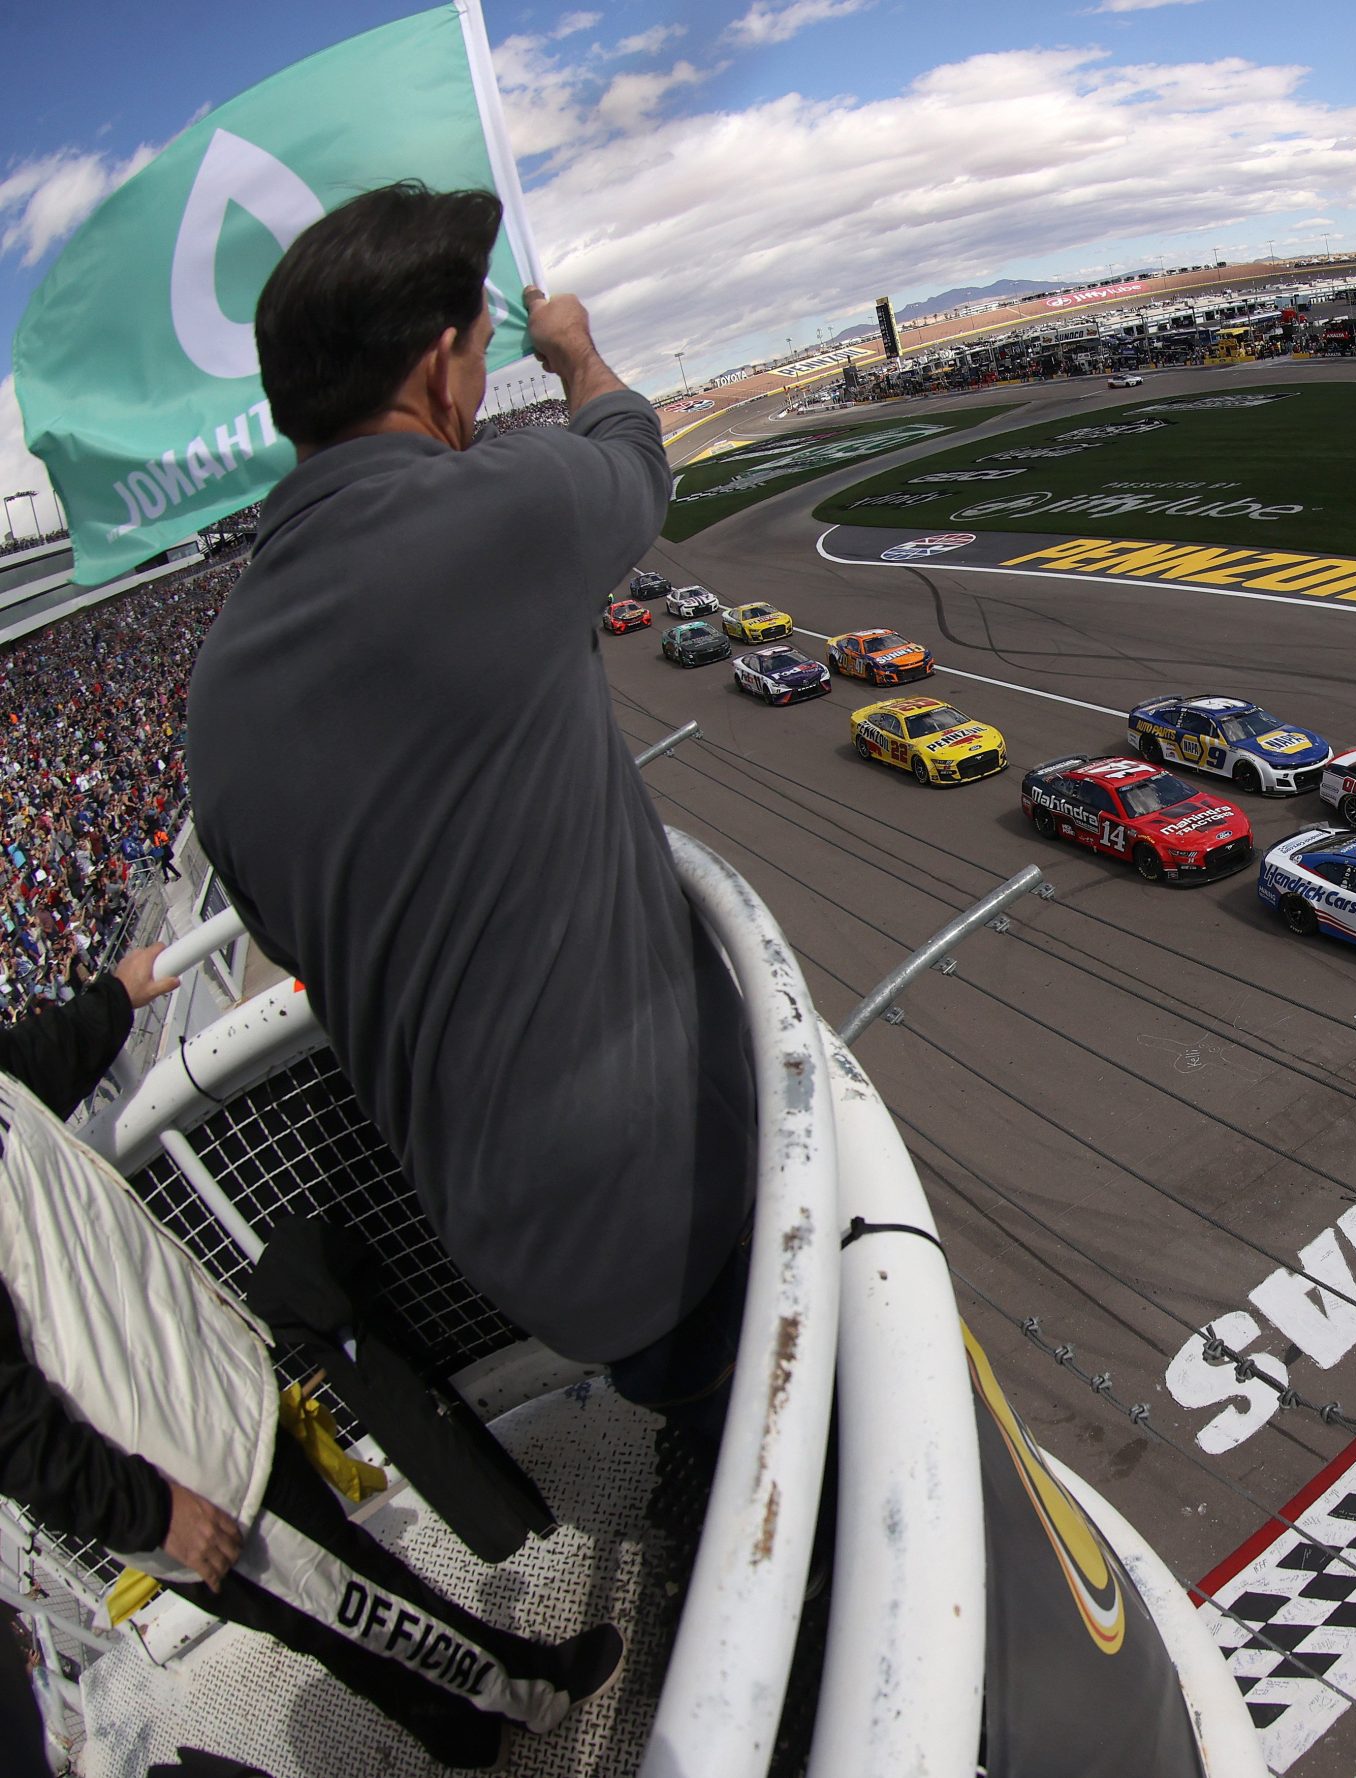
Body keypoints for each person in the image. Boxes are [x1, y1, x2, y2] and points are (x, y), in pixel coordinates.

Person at [186, 184, 756, 1427]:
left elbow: (292, 937)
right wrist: (577, 353)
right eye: (483, 350)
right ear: (439, 368)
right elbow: (634, 459)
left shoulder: (213, 692)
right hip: (682, 1201)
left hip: (506, 1251)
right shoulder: (494, 508)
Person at [0, 947, 620, 1769]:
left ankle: (459, 1731)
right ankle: (528, 1688)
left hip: (200, 1406)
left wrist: (117, 993)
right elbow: (15, 1437)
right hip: (179, 1474)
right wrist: (155, 1514)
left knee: (335, 1608)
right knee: (355, 1598)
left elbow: (31, 1067)